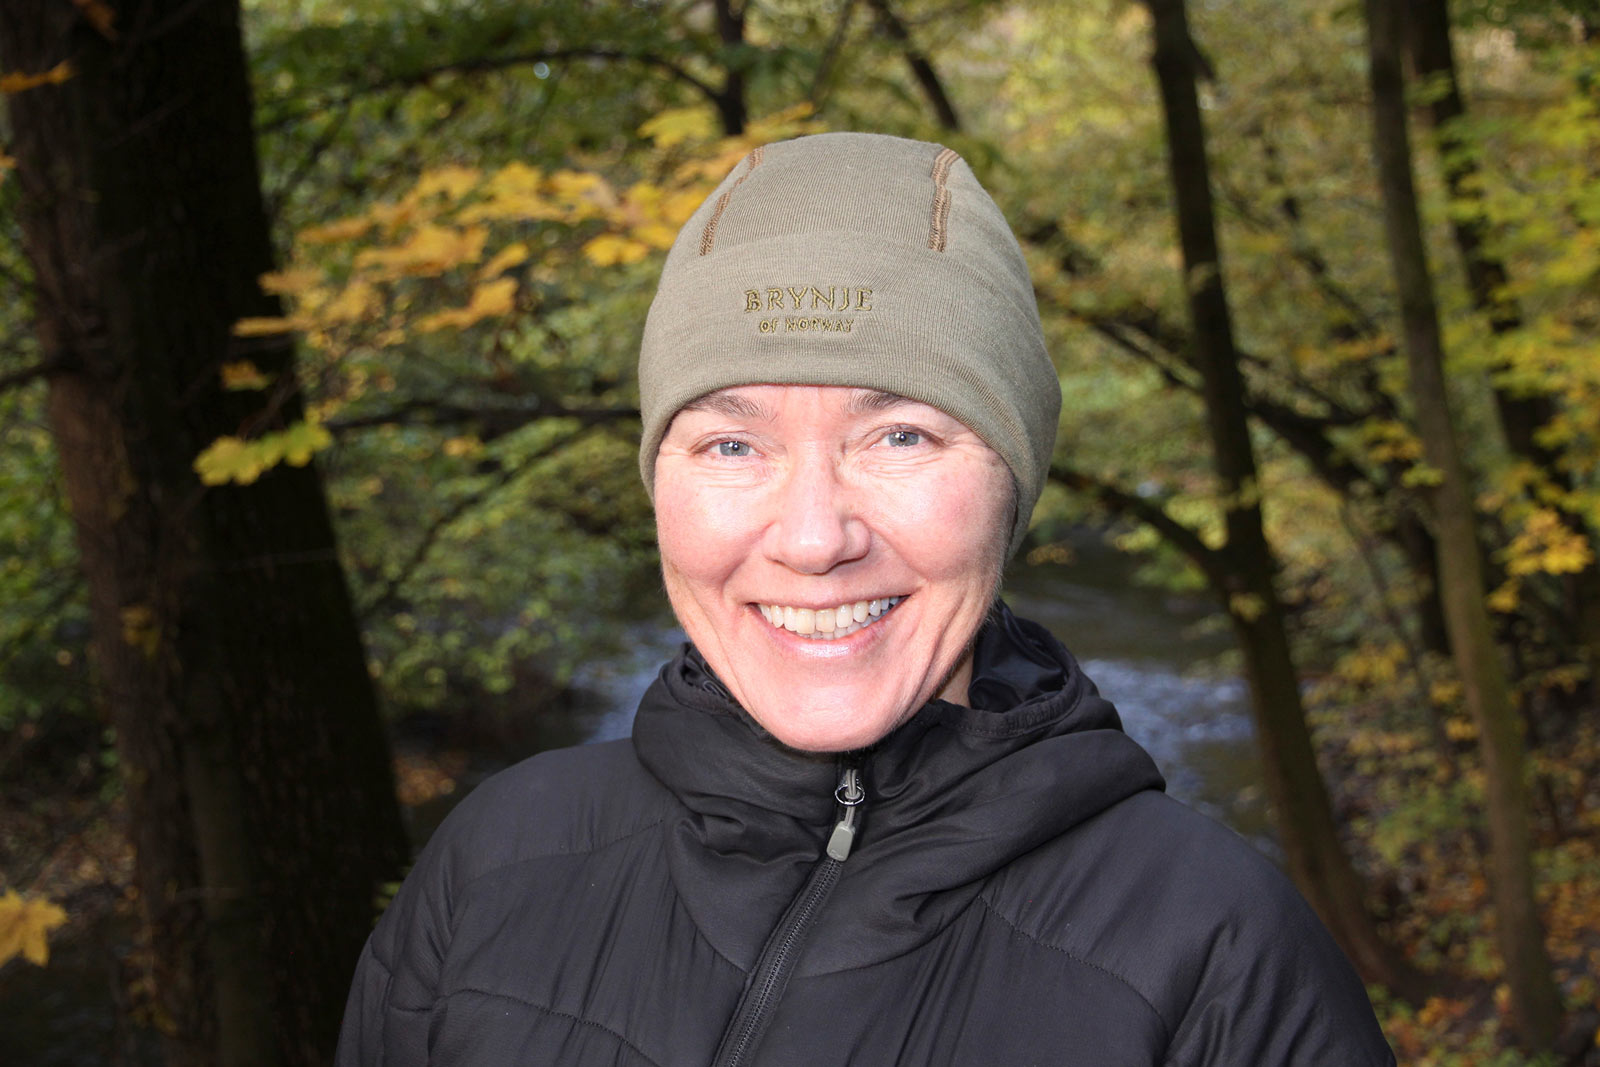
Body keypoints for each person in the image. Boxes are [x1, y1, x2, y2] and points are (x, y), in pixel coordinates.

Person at [336, 132, 1396, 1065]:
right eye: (732, 444)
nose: (812, 539)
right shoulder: (497, 861)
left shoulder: (1220, 959)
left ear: (1011, 489)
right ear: (659, 484)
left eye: (900, 436)